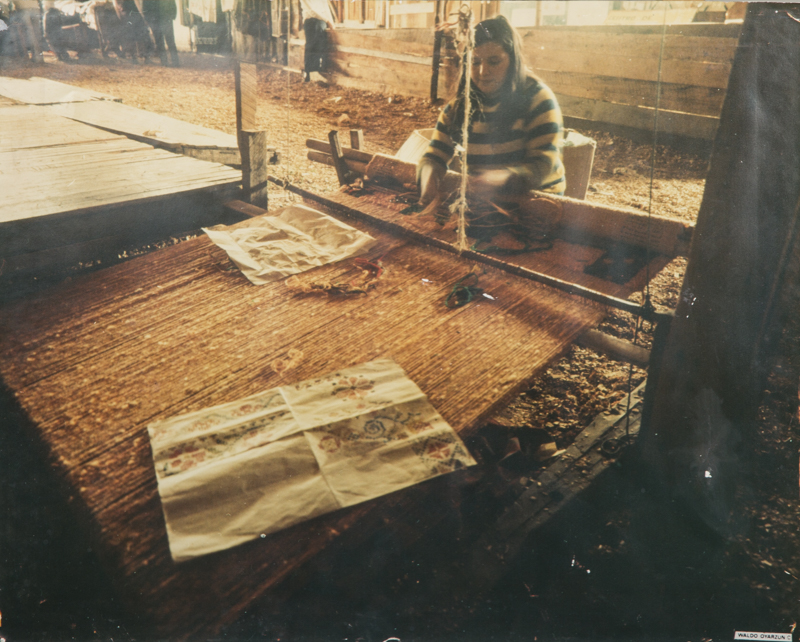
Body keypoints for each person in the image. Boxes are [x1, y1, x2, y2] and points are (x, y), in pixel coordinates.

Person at [418, 14, 565, 207]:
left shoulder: (538, 99)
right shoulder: (459, 108)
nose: (483, 72)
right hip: (486, 201)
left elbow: (543, 166)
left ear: (512, 61)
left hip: (538, 203)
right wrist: (428, 179)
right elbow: (433, 157)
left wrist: (502, 179)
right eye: (475, 62)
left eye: (494, 62)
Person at [299, 0, 334, 82]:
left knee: (321, 44)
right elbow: (312, 10)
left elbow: (326, 7)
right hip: (311, 20)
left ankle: (317, 71)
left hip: (322, 21)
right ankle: (310, 72)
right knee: (311, 45)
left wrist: (331, 23)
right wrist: (328, 21)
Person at [142, 0, 179, 67]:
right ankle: (166, 62)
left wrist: (173, 15)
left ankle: (174, 62)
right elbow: (145, 6)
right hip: (157, 20)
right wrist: (147, 19)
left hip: (164, 19)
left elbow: (172, 3)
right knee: (161, 42)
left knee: (168, 41)